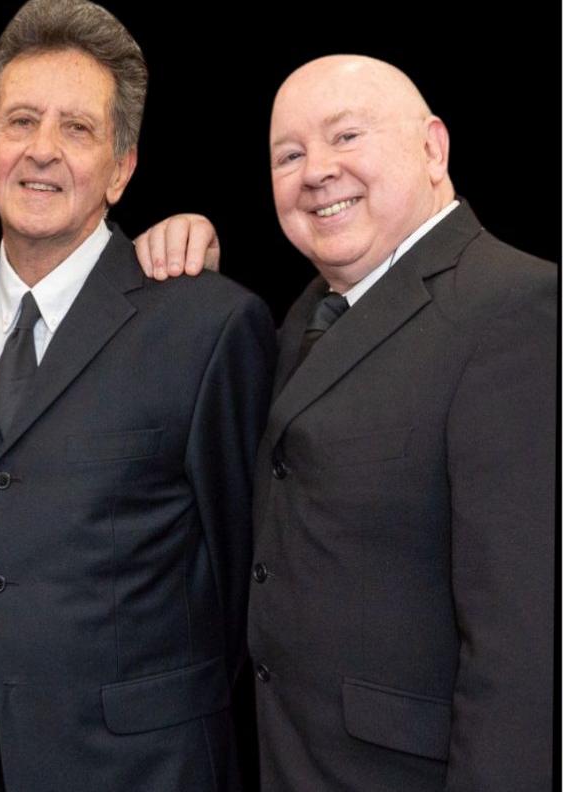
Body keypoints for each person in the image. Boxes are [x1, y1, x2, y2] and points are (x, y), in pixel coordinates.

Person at [0, 2, 275, 790]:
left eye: (77, 129)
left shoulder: (209, 321)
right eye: (21, 121)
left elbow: (251, 571)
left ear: (123, 167)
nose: (41, 151)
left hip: (149, 766)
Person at [244, 55, 556, 790]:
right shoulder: (307, 315)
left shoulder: (518, 308)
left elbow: (525, 643)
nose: (316, 170)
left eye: (346, 136)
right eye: (289, 155)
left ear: (432, 147)